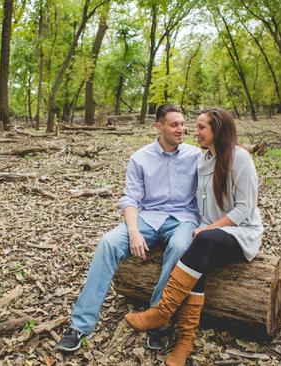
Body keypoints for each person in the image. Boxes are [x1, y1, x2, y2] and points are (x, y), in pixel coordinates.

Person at [125, 107, 263, 366]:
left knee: (202, 242)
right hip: (209, 235)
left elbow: (245, 209)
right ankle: (185, 340)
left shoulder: (240, 158)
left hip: (241, 232)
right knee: (197, 255)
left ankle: (161, 312)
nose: (194, 132)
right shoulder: (203, 160)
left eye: (201, 127)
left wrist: (210, 228)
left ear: (217, 131)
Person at [58, 105, 202, 352]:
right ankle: (80, 326)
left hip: (183, 218)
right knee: (108, 242)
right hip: (148, 217)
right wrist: (134, 232)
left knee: (180, 246)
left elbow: (225, 155)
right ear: (159, 127)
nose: (181, 129)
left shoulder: (196, 155)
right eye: (174, 125)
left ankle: (158, 319)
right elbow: (130, 200)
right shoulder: (140, 158)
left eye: (182, 124)